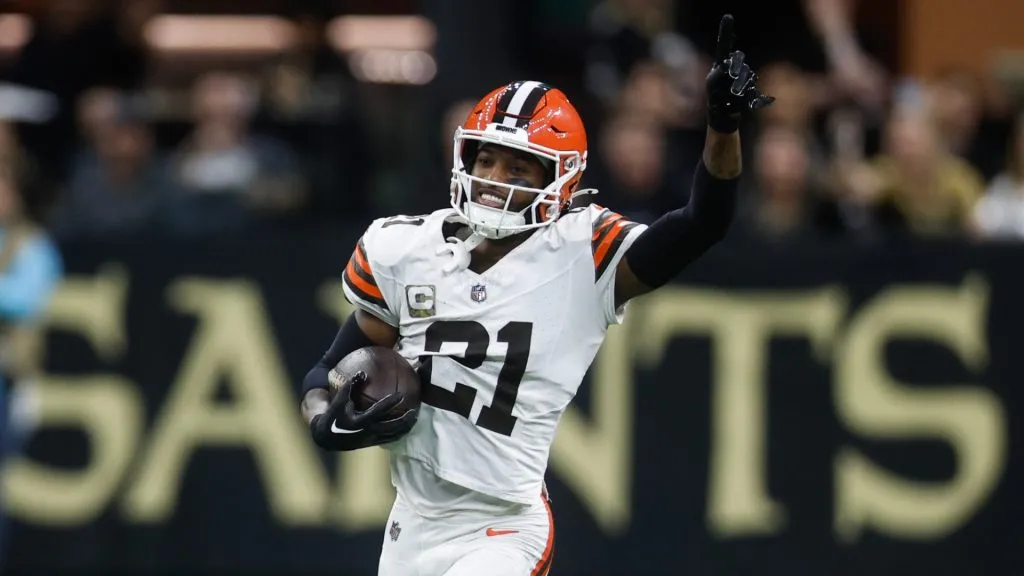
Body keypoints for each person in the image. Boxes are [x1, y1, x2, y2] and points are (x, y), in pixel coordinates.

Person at [300, 15, 772, 576]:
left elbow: (701, 224)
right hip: (411, 523)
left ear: (559, 180)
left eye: (518, 167)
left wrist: (722, 127)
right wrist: (322, 415)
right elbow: (327, 371)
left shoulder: (582, 252)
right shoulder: (406, 249)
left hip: (501, 527)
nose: (495, 178)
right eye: (487, 159)